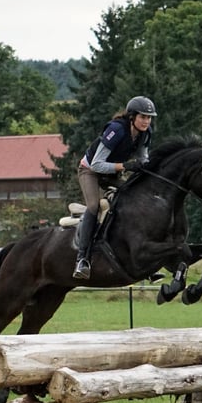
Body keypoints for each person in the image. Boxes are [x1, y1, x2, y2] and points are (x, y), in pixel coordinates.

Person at [72, 95, 156, 279]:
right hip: (90, 171)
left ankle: (140, 256)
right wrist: (125, 166)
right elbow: (96, 164)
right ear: (132, 116)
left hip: (112, 174)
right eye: (143, 117)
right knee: (94, 206)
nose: (146, 121)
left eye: (149, 117)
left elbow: (143, 159)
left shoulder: (146, 133)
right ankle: (82, 259)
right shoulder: (116, 130)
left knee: (134, 199)